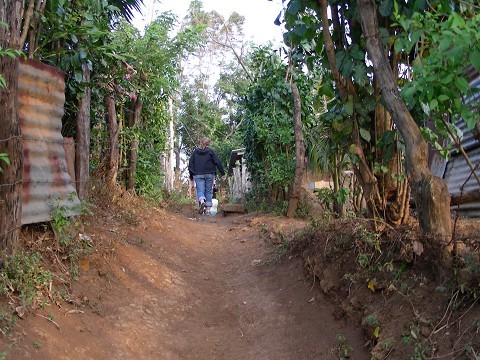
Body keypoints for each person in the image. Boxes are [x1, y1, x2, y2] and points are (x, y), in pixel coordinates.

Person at [188, 137, 226, 215]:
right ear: (208, 143)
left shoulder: (195, 152)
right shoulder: (210, 151)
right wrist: (222, 173)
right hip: (209, 174)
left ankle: (202, 201)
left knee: (200, 191)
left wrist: (191, 178)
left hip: (198, 174)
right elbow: (218, 162)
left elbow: (191, 165)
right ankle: (208, 211)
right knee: (208, 191)